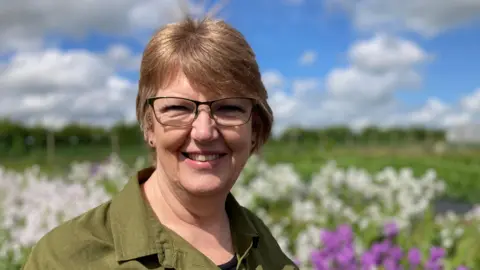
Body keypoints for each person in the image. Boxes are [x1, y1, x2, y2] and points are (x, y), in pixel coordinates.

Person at [23, 16, 298, 270]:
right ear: (149, 126)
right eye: (178, 108)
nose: (204, 132)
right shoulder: (63, 259)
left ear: (254, 129)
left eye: (229, 109)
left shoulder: (262, 242)